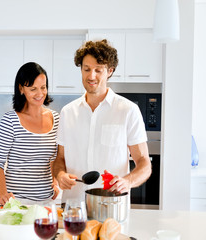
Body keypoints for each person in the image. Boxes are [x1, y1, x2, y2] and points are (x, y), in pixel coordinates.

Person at [53, 39, 152, 202]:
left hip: (112, 204)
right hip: (74, 206)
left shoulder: (128, 110)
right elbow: (60, 159)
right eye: (86, 69)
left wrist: (127, 181)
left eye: (98, 70)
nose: (91, 76)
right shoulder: (67, 112)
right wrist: (60, 174)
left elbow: (144, 163)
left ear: (110, 71)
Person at [0, 62, 59, 205]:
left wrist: (55, 181)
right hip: (16, 201)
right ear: (21, 89)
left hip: (47, 200)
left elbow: (54, 158)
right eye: (33, 89)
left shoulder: (56, 119)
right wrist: (3, 193)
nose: (40, 94)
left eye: (43, 87)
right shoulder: (10, 121)